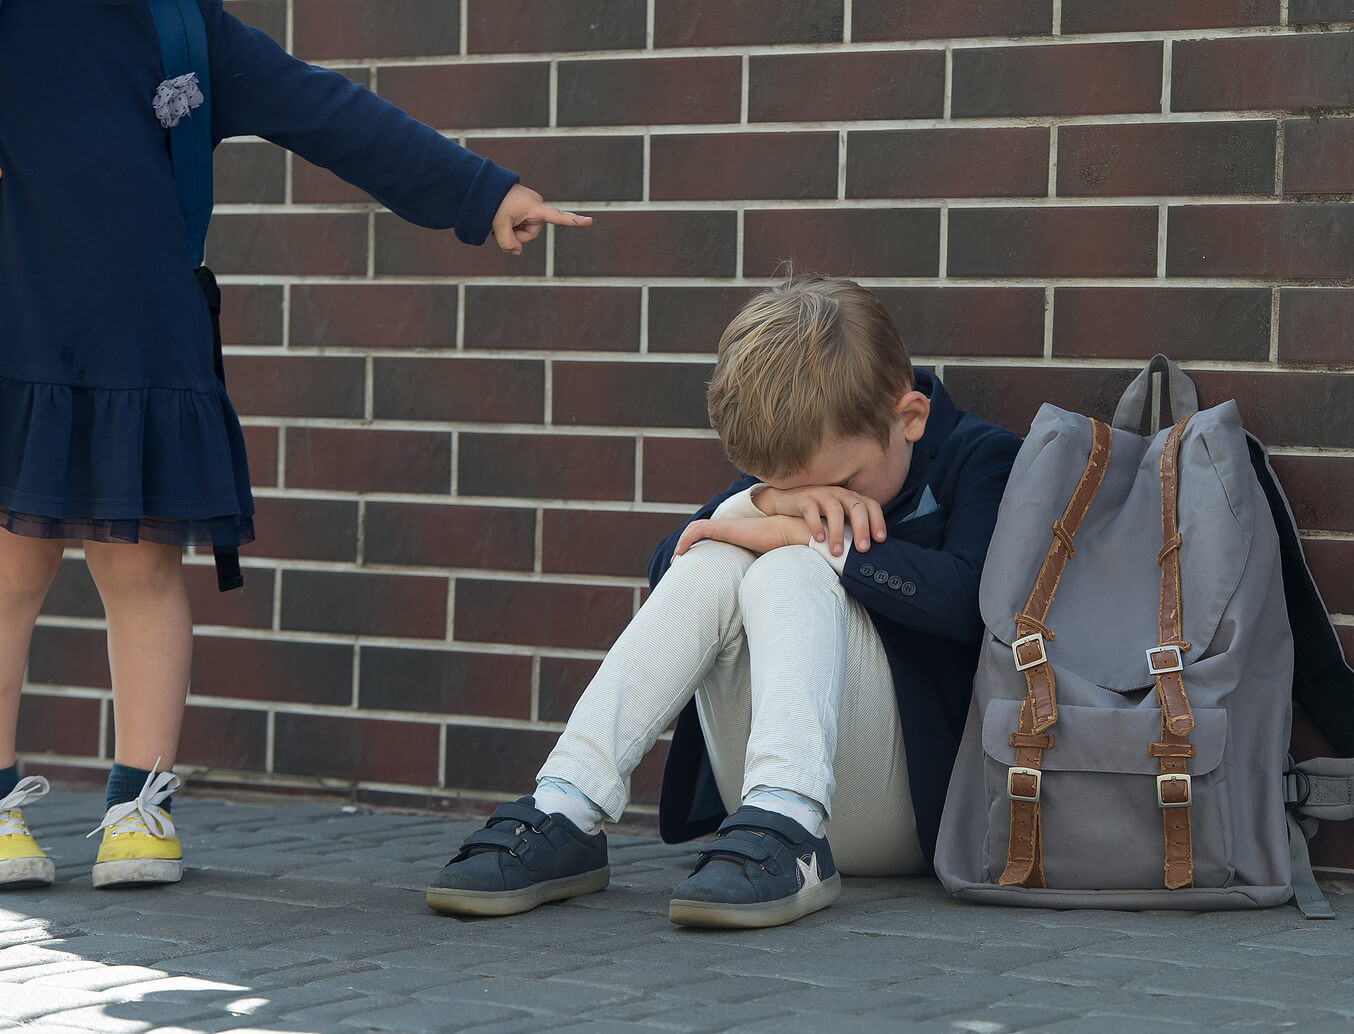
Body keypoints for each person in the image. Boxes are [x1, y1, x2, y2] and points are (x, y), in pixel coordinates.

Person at [0, 0, 589, 892]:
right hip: (18, 337)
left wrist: (481, 192)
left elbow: (325, 111)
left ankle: (139, 801)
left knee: (141, 572)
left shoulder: (184, 29)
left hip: (147, 349)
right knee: (10, 572)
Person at [426, 276, 1021, 928]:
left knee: (787, 566)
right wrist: (760, 504)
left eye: (839, 486)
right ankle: (568, 803)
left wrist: (813, 538)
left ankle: (792, 824)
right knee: (715, 557)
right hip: (752, 817)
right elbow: (670, 571)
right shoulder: (797, 455)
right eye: (792, 492)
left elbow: (973, 606)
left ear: (909, 418)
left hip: (912, 803)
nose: (815, 501)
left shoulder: (979, 457)